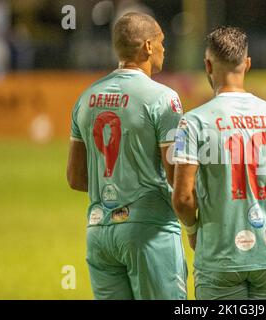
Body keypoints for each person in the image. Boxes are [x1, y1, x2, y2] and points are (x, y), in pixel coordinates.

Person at [171, 26, 266, 300]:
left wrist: (193, 230)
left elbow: (183, 197)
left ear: (208, 65)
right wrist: (262, 201)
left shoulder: (193, 122)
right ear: (247, 64)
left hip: (218, 257)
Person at [66, 12, 187, 300]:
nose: (164, 49)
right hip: (148, 230)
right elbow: (175, 175)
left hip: (99, 231)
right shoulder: (164, 98)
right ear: (147, 46)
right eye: (161, 41)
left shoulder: (86, 97)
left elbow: (75, 177)